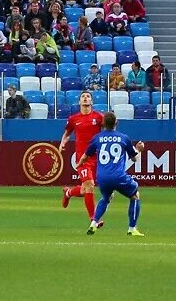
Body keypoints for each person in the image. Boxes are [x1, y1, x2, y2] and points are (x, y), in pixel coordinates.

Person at [86, 111, 144, 238]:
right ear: (116, 122)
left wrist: (80, 162)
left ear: (102, 124)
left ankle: (94, 223)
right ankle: (132, 228)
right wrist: (139, 150)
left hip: (102, 178)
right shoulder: (124, 138)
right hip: (118, 176)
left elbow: (87, 155)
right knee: (135, 196)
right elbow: (134, 159)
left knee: (107, 198)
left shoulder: (97, 138)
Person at [57, 90, 104, 223]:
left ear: (91, 101)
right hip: (82, 158)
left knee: (84, 190)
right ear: (79, 101)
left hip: (97, 158)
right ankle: (93, 219)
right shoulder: (73, 119)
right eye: (83, 96)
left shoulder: (99, 117)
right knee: (89, 185)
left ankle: (68, 193)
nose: (85, 98)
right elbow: (67, 133)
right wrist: (63, 143)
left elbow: (109, 130)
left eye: (88, 96)